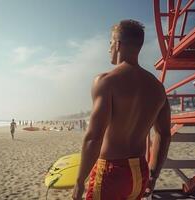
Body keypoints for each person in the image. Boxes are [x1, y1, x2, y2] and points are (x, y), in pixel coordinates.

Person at [72, 20, 171, 200]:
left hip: (111, 172)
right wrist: (154, 174)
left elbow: (94, 137)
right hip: (140, 172)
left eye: (110, 42)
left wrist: (79, 181)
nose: (108, 48)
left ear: (118, 44)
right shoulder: (158, 88)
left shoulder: (106, 81)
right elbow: (164, 134)